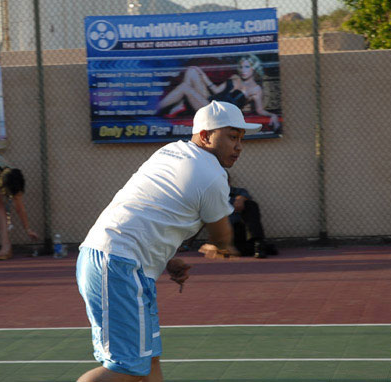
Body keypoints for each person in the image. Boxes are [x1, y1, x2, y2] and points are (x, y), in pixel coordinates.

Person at [76, 100, 261, 382]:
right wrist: (222, 248)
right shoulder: (212, 175)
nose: (239, 146)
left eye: (241, 139)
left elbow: (152, 211)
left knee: (149, 362)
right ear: (204, 136)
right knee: (125, 367)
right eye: (232, 137)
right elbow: (223, 237)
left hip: (121, 260)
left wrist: (165, 258)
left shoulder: (170, 151)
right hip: (117, 264)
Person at [157, 54, 280, 131]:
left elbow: (259, 110)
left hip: (216, 112)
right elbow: (215, 90)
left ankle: (157, 110)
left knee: (185, 87)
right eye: (241, 67)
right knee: (192, 71)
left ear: (254, 68)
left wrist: (272, 115)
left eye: (247, 67)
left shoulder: (256, 90)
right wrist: (202, 75)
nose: (243, 70)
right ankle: (181, 104)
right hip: (210, 100)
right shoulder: (235, 77)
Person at [227, 172, 276, 259]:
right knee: (235, 250)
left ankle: (258, 242)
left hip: (244, 229)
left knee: (251, 204)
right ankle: (262, 247)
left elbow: (245, 194)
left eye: (226, 180)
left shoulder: (238, 191)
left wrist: (241, 199)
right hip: (228, 232)